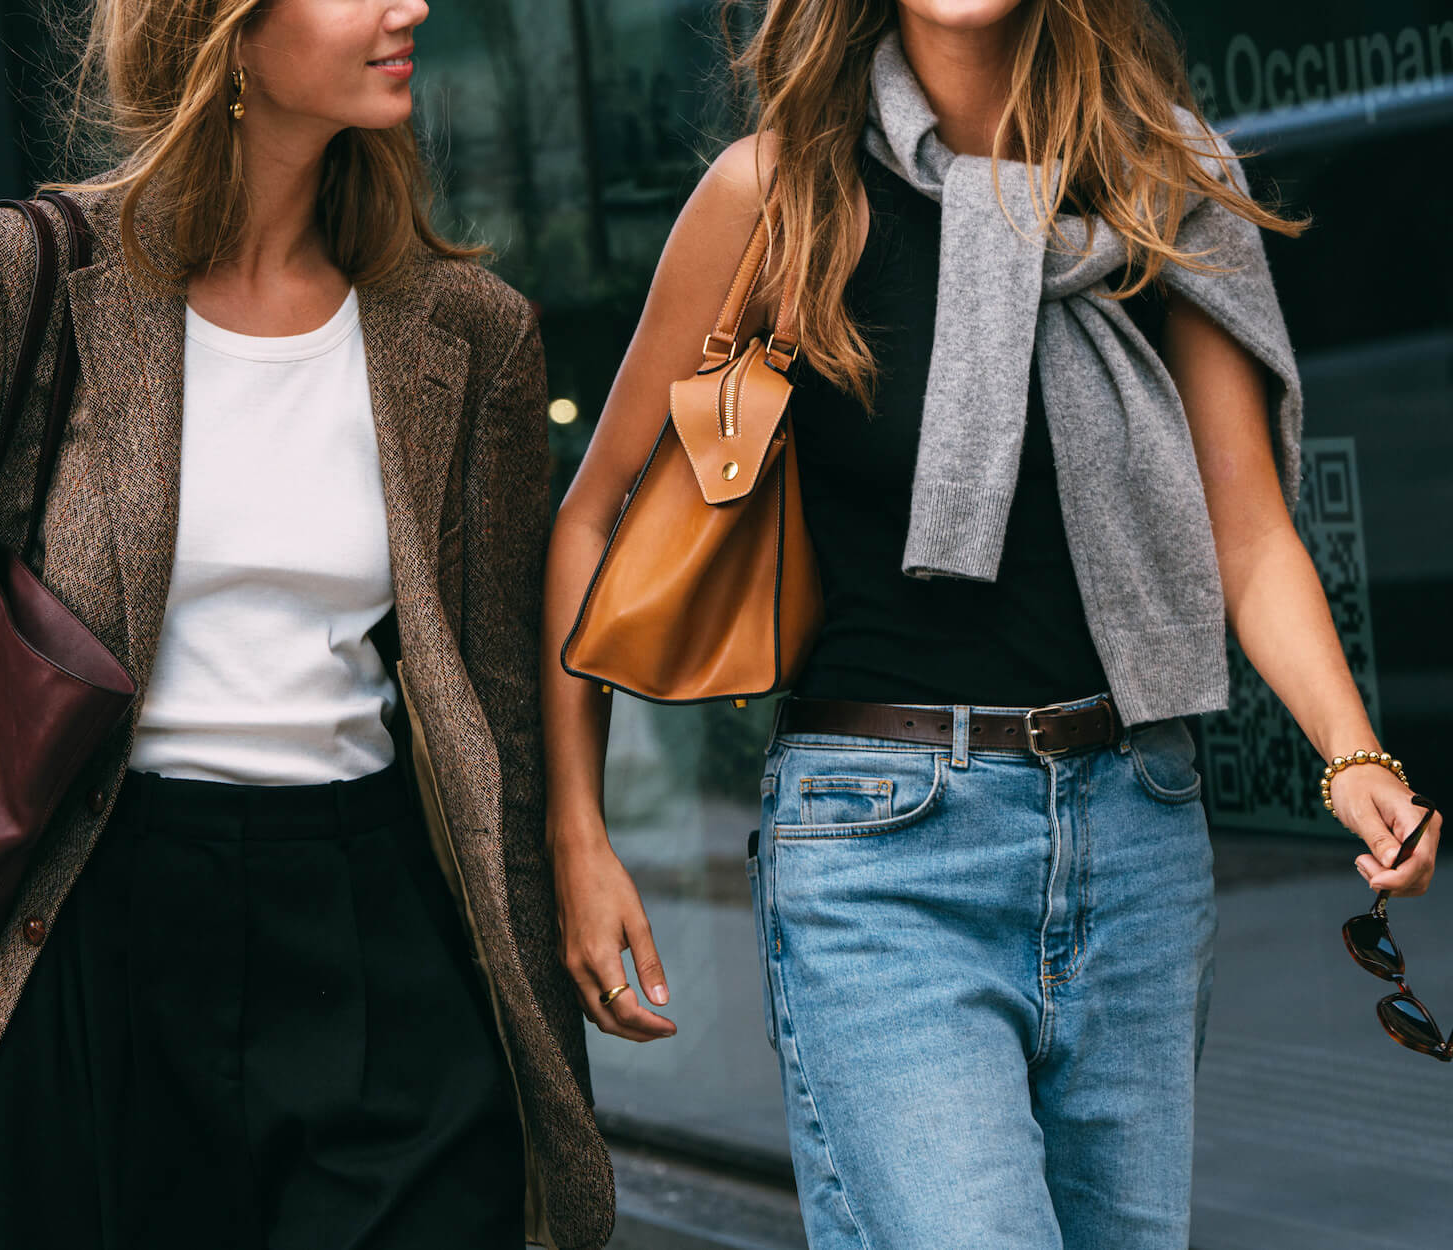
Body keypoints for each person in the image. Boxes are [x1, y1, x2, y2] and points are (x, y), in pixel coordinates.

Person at [540, 1, 1440, 1247]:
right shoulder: (781, 194)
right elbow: (591, 519)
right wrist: (577, 834)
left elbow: (1248, 534)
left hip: (1134, 835)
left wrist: (1350, 754)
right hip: (877, 848)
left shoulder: (1161, 184)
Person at [0, 1, 614, 1246]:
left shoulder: (465, 329)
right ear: (225, 31)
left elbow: (496, 699)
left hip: (372, 918)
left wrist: (548, 991)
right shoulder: (27, 273)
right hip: (94, 930)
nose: (408, 8)